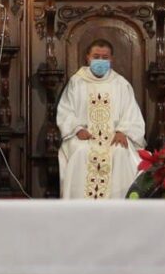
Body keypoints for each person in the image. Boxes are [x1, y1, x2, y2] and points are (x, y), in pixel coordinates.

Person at [57, 39, 145, 199]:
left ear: (112, 59)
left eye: (105, 57)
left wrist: (123, 131)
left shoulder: (120, 84)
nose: (101, 61)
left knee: (120, 152)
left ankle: (119, 208)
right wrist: (77, 129)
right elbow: (66, 111)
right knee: (80, 152)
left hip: (114, 136)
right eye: (96, 56)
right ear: (88, 57)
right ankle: (78, 207)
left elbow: (131, 113)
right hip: (85, 137)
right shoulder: (77, 82)